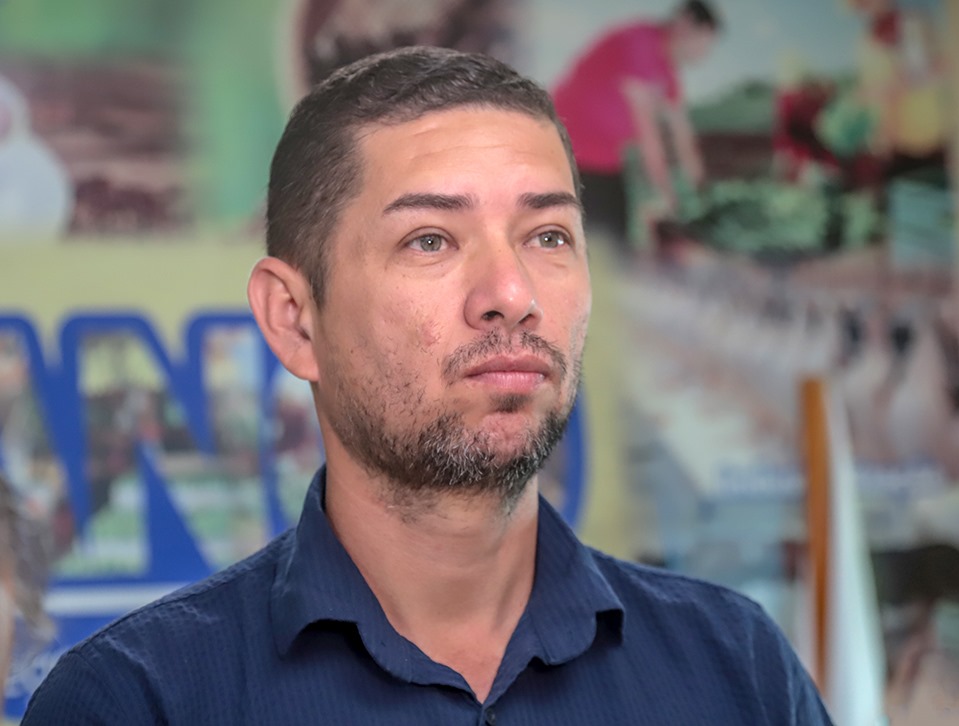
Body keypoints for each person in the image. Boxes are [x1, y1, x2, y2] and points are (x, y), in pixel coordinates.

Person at [23, 46, 832, 724]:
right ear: (294, 320)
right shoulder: (138, 702)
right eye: (430, 240)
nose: (512, 293)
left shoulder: (737, 671)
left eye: (549, 235)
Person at [552, 1, 720, 244]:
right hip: (567, 153)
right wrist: (668, 196)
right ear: (685, 25)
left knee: (615, 241)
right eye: (703, 41)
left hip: (604, 161)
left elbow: (682, 136)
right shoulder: (640, 43)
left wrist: (701, 190)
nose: (704, 52)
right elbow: (648, 135)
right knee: (596, 243)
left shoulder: (668, 71)